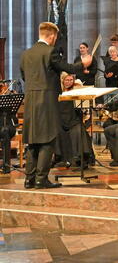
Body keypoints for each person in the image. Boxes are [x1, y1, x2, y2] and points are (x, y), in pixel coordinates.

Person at [20, 21, 92, 189]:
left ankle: (29, 179)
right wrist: (84, 63)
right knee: (48, 140)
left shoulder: (26, 54)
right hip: (46, 102)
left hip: (30, 101)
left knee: (32, 141)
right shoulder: (50, 52)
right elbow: (66, 67)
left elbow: (25, 77)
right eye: (55, 37)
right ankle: (41, 179)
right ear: (52, 36)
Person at [56, 73, 94, 168]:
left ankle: (79, 158)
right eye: (67, 80)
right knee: (57, 132)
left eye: (71, 80)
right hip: (60, 121)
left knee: (78, 130)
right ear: (62, 81)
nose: (69, 82)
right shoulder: (57, 92)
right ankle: (62, 158)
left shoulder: (76, 91)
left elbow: (82, 108)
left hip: (74, 120)